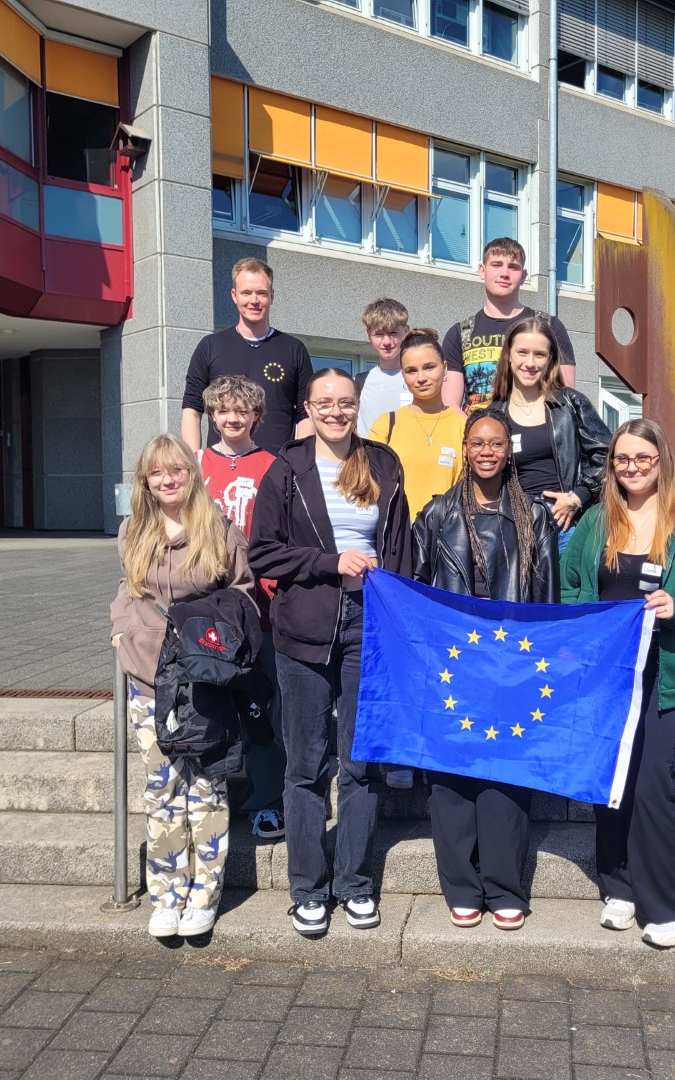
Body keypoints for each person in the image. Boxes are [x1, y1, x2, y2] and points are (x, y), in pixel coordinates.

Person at [248, 368, 413, 937]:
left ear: (356, 406)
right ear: (310, 408)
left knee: (361, 765)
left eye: (346, 402)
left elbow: (401, 547)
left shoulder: (383, 462)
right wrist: (328, 563)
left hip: (368, 625)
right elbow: (263, 553)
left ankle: (355, 884)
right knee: (305, 765)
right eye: (325, 402)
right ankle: (307, 889)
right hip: (303, 629)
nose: (336, 411)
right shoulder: (287, 469)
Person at [560, 419, 675, 948]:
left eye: (642, 459)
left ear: (662, 463)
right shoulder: (594, 522)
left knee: (651, 785)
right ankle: (620, 887)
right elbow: (567, 586)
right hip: (605, 673)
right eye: (622, 459)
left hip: (663, 672)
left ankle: (673, 904)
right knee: (611, 783)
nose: (631, 468)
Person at [412, 407, 559, 930]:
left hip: (512, 667)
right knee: (451, 780)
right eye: (477, 442)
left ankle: (504, 885)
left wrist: (539, 665)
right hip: (453, 666)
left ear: (509, 450)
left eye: (497, 443)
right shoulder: (434, 515)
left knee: (504, 779)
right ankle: (461, 885)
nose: (487, 451)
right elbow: (417, 595)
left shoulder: (535, 516)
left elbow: (546, 598)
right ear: (466, 447)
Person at [110, 433, 256, 938]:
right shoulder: (133, 531)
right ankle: (166, 894)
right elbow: (127, 589)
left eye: (177, 470)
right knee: (161, 790)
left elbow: (243, 594)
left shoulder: (218, 528)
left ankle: (204, 894)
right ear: (145, 481)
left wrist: (213, 640)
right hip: (149, 680)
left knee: (206, 788)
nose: (168, 479)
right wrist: (123, 628)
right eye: (157, 472)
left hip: (203, 680)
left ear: (191, 475)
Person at [198, 375, 285, 841]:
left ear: (256, 415)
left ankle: (267, 799)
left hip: (264, 605)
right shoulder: (195, 465)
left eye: (241, 411)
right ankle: (214, 802)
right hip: (209, 607)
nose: (232, 419)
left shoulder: (274, 465)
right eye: (222, 411)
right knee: (213, 707)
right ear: (212, 414)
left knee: (262, 706)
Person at [487, 318, 610, 554]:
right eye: (522, 352)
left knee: (568, 592)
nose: (530, 363)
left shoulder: (571, 404)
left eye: (539, 355)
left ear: (551, 359)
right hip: (513, 529)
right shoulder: (493, 414)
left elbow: (608, 455)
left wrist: (578, 496)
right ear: (509, 355)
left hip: (566, 525)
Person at [181, 257, 314, 456]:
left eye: (261, 293)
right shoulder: (210, 347)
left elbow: (305, 414)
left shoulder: (294, 349)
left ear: (272, 296)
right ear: (234, 296)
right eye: (246, 293)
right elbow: (192, 409)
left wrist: (298, 462)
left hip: (277, 470)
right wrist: (194, 462)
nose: (254, 301)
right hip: (222, 470)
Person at [441, 237, 577, 413]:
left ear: (523, 276)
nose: (504, 273)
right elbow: (450, 406)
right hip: (479, 434)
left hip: (536, 433)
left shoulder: (549, 327)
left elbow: (567, 396)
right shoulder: (460, 333)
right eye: (496, 265)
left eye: (513, 267)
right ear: (482, 271)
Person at [368, 328, 467, 520]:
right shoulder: (386, 425)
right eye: (411, 371)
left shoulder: (464, 426)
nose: (421, 378)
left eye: (429, 367)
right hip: (398, 537)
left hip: (445, 536)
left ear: (445, 368)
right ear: (402, 375)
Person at [356, 298, 411, 437]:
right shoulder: (358, 382)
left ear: (406, 331)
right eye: (379, 334)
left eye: (393, 333)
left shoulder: (420, 380)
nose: (387, 341)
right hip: (369, 457)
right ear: (369, 335)